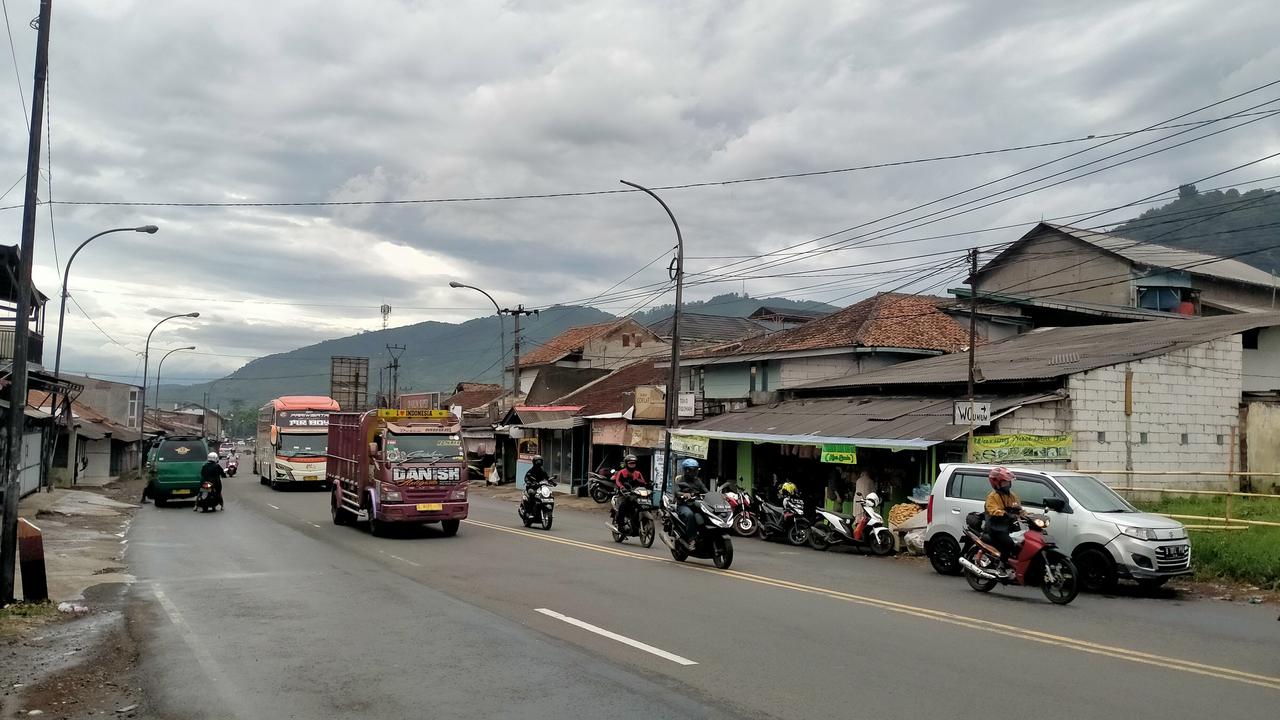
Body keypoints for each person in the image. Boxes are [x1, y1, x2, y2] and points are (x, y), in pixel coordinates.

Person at [984, 466, 1024, 576]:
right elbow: (993, 510)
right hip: (995, 528)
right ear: (996, 483)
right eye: (1005, 482)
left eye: (1008, 482)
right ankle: (1001, 566)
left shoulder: (1012, 496)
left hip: (1009, 527)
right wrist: (1005, 514)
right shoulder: (992, 497)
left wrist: (1031, 516)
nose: (1007, 485)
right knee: (1008, 543)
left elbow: (1019, 509)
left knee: (1022, 543)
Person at [610, 454, 648, 532]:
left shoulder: (638, 473)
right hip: (624, 494)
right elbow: (618, 481)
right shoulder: (621, 472)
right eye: (630, 463)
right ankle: (620, 526)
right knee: (623, 506)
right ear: (626, 463)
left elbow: (643, 482)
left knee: (643, 506)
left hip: (635, 494)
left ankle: (640, 524)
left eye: (633, 463)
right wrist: (622, 487)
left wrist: (647, 484)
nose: (632, 465)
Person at [674, 458, 708, 542]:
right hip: (683, 505)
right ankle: (691, 539)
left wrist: (716, 495)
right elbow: (676, 492)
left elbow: (706, 491)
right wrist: (684, 494)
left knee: (707, 514)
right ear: (687, 470)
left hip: (696, 504)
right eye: (694, 470)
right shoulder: (680, 480)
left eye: (696, 470)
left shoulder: (698, 481)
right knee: (690, 515)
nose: (696, 472)